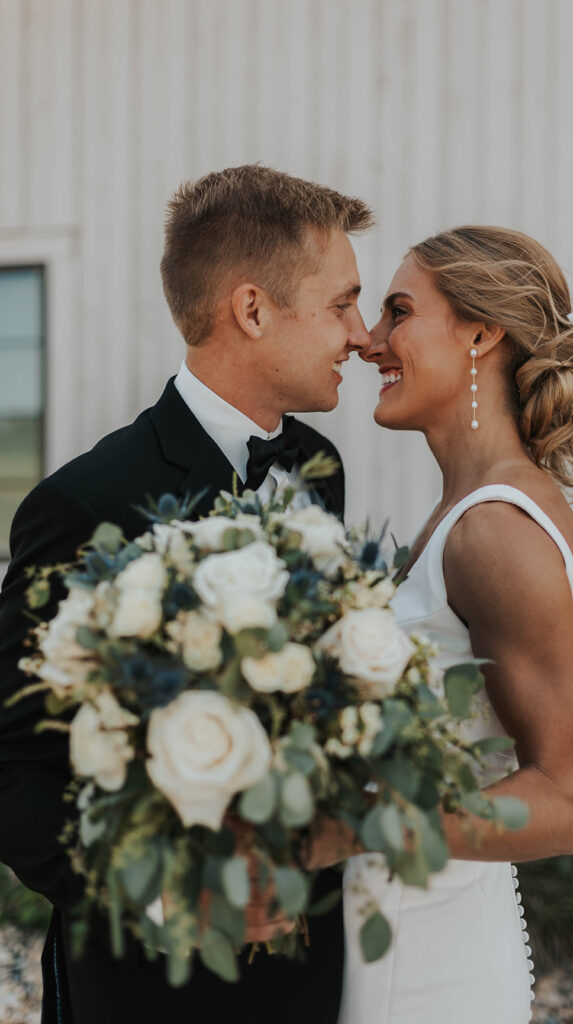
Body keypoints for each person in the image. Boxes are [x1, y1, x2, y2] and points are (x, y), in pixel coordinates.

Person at [0, 165, 373, 1024]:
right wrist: (167, 890)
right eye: (340, 304)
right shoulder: (85, 503)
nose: (358, 333)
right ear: (252, 310)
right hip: (146, 983)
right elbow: (11, 764)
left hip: (309, 966)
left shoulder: (321, 470)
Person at [342, 225, 573, 1023]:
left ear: (481, 333)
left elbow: (565, 804)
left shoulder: (495, 532)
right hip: (402, 935)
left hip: (424, 968)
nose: (367, 341)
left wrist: (353, 825)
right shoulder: (462, 514)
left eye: (396, 313)